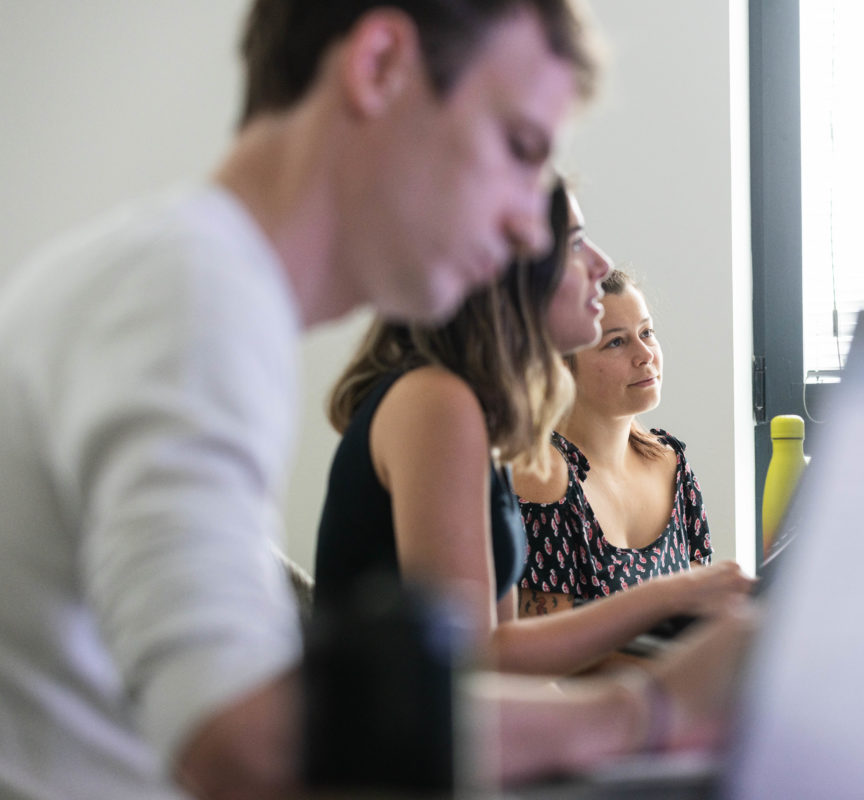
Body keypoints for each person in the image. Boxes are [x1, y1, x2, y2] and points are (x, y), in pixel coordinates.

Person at [0, 1, 604, 797]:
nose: (531, 229)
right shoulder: (189, 292)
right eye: (519, 148)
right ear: (379, 66)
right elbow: (241, 737)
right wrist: (644, 712)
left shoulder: (190, 283)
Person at [314, 183, 751, 677]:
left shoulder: (479, 416)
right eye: (574, 243)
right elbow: (469, 671)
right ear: (501, 268)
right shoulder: (436, 401)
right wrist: (669, 597)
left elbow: (503, 651)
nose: (601, 264)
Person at [515, 269, 750, 623]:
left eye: (647, 333)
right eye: (616, 342)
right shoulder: (545, 479)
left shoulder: (672, 465)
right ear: (561, 366)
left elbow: (697, 621)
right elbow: (545, 649)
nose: (645, 355)